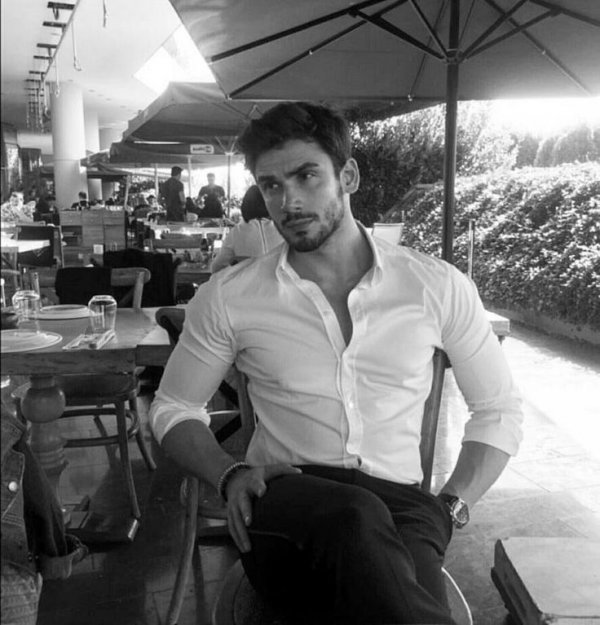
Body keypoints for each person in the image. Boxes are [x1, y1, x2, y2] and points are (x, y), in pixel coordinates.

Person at [150, 102, 523, 624]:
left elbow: (498, 410)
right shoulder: (231, 296)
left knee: (385, 567)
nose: (288, 201)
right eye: (272, 185)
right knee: (355, 516)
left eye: (306, 176)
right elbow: (173, 408)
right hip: (284, 502)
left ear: (348, 176)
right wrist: (229, 474)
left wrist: (452, 506)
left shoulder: (436, 287)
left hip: (404, 511)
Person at [211, 184, 283, 273]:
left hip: (249, 281)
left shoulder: (237, 232)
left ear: (245, 206)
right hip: (282, 281)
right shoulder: (284, 230)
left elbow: (216, 267)